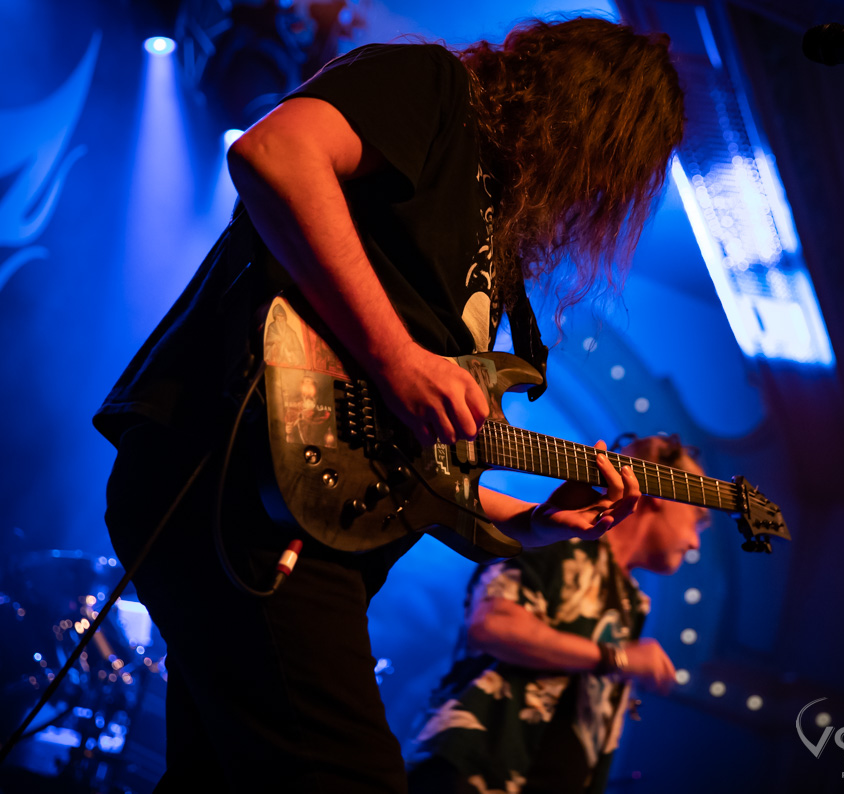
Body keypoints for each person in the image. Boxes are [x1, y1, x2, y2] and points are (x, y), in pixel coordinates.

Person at [94, 16, 685, 793]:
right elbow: (274, 152)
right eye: (609, 159)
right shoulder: (434, 89)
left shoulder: (492, 251)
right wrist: (396, 355)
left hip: (309, 522)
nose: (594, 192)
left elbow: (420, 480)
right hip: (238, 490)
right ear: (583, 114)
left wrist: (534, 523)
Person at [406, 435, 711, 794]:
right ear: (660, 493)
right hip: (471, 774)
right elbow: (492, 625)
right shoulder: (559, 533)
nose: (695, 542)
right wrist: (619, 658)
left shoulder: (634, 602)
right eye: (696, 518)